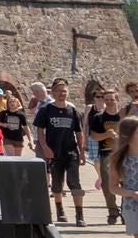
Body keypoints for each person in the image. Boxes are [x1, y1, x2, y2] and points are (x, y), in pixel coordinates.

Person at [35, 78, 86, 224]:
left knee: (74, 182)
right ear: (53, 92)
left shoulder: (72, 110)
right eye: (58, 90)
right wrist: (44, 147)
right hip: (54, 152)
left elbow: (79, 132)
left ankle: (79, 215)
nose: (61, 93)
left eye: (64, 90)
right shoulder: (46, 110)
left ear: (67, 92)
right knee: (57, 184)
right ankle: (60, 210)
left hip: (71, 151)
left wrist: (81, 152)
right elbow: (39, 130)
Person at [90, 91, 123, 225]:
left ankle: (126, 211)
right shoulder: (99, 117)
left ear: (117, 100)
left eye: (112, 99)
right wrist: (106, 134)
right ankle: (113, 212)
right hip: (106, 153)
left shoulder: (124, 116)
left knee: (127, 183)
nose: (109, 102)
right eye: (106, 99)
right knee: (108, 183)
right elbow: (94, 136)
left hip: (124, 153)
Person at [108, 115, 138, 238]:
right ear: (129, 135)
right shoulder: (118, 158)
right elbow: (113, 187)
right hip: (132, 207)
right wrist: (132, 194)